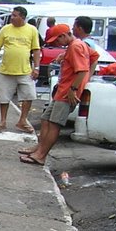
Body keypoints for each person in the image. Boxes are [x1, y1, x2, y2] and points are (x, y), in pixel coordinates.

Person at [18, 20, 92, 166]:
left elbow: (82, 70)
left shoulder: (76, 46)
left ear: (64, 35)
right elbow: (92, 58)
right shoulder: (76, 46)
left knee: (54, 124)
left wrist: (74, 89)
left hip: (67, 93)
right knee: (46, 119)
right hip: (63, 90)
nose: (57, 43)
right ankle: (39, 148)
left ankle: (41, 155)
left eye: (57, 39)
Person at [0, 6, 41, 133]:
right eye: (12, 15)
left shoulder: (32, 30)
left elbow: (36, 50)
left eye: (15, 15)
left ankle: (22, 120)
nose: (12, 18)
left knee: (29, 95)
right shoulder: (5, 29)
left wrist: (37, 67)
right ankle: (3, 120)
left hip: (25, 70)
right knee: (4, 97)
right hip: (6, 70)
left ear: (22, 17)